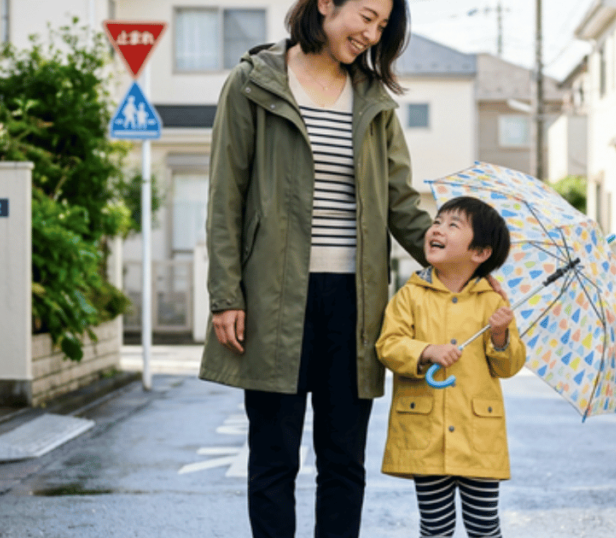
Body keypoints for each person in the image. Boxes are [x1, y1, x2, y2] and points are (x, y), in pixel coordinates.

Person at [198, 1, 431, 536]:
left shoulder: (374, 102)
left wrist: (460, 263)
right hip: (274, 297)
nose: (372, 34)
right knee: (274, 457)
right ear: (326, 3)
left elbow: (401, 204)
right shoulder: (254, 83)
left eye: (382, 26)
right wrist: (226, 294)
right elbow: (225, 197)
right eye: (366, 17)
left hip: (355, 304)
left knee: (344, 462)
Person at [375, 196, 526, 538]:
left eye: (453, 225)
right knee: (436, 527)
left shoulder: (493, 301)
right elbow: (389, 345)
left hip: (478, 435)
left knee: (484, 525)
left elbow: (509, 366)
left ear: (480, 252)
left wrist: (500, 335)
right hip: (426, 432)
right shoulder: (410, 295)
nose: (437, 229)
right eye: (437, 221)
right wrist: (426, 351)